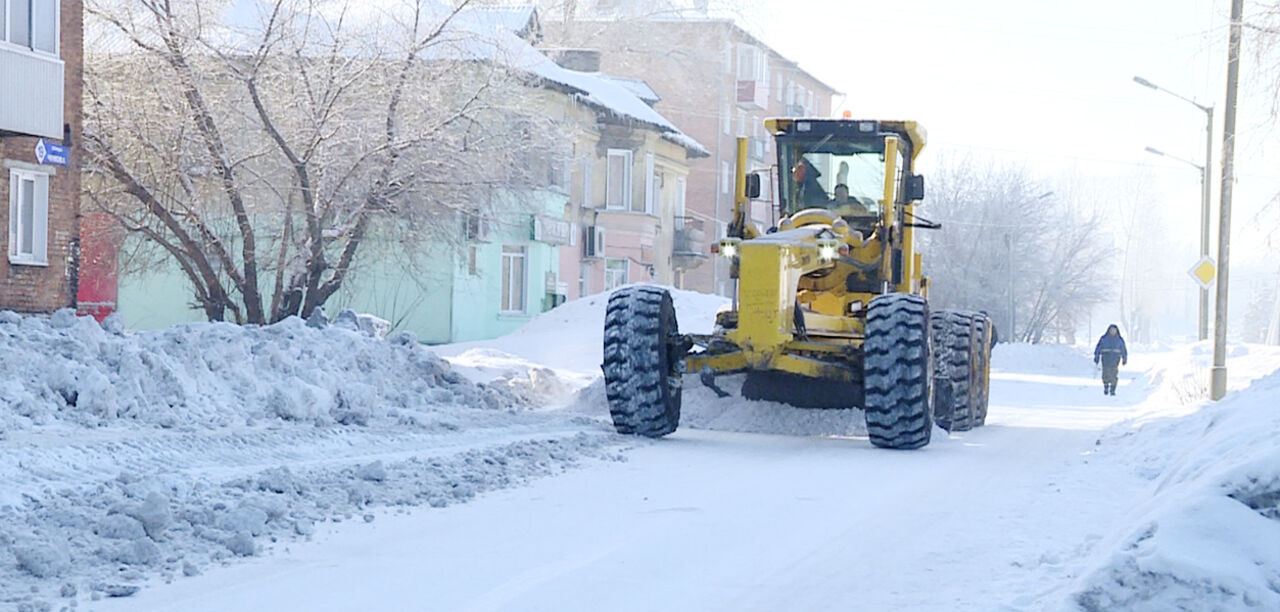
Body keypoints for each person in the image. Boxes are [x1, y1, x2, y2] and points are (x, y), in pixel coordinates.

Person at [1093, 324, 1128, 395]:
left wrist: (1124, 359)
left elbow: (1123, 349)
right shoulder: (1104, 339)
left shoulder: (1119, 340)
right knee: (1105, 373)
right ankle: (1106, 386)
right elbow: (1098, 348)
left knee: (1114, 374)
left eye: (1114, 330)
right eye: (1111, 330)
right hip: (1105, 359)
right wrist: (1096, 357)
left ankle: (1113, 389)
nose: (1112, 332)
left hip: (1115, 360)